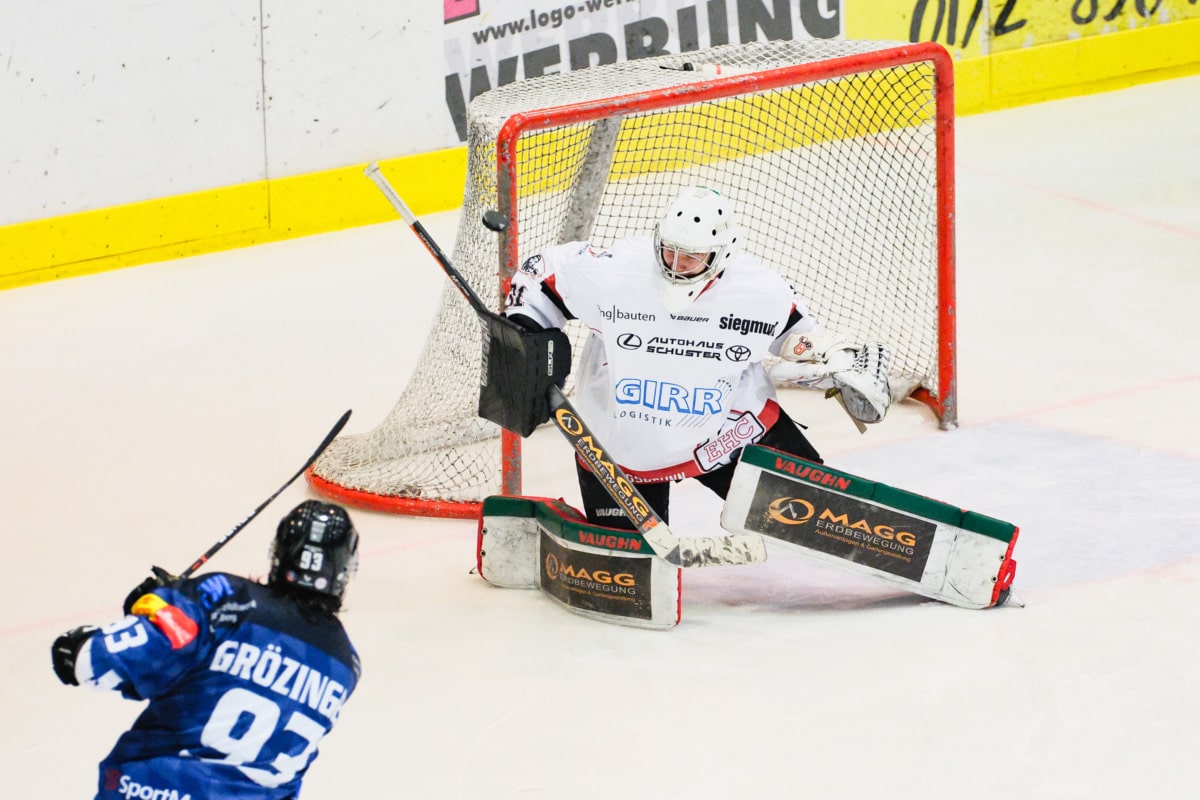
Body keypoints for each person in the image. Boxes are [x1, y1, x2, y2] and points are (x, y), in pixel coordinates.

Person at [502, 185, 892, 529]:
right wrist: (524, 334)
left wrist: (839, 363)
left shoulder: (757, 291)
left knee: (822, 519)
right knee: (633, 572)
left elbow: (798, 339)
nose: (676, 263)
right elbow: (540, 274)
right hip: (621, 448)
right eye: (669, 250)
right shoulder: (616, 272)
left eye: (691, 256)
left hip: (726, 436)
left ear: (721, 254)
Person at [51, 500, 362, 800]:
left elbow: (91, 662)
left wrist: (162, 606)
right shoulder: (345, 664)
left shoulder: (222, 599)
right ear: (344, 570)